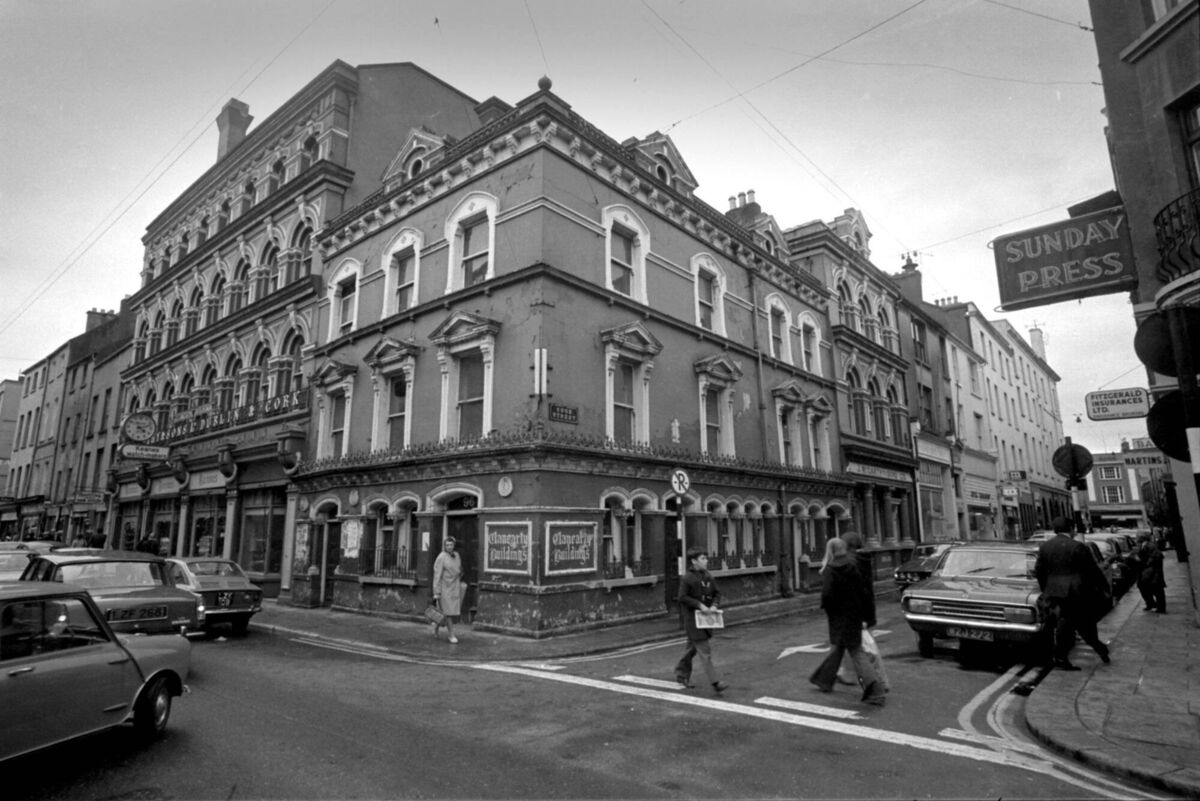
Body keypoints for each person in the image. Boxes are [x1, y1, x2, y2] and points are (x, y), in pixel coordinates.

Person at [810, 537, 885, 705]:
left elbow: (827, 594)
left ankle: (876, 689)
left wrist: (827, 607)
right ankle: (824, 680)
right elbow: (863, 592)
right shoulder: (852, 566)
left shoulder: (831, 569)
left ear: (830, 550)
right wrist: (865, 616)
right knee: (839, 648)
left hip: (839, 617)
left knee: (856, 652)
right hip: (854, 615)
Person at [1035, 516, 1111, 670]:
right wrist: (1104, 588)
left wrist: (1047, 588)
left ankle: (1096, 649)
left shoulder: (1045, 547)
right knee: (1077, 624)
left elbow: (1039, 571)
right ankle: (1065, 656)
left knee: (1072, 623)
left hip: (1056, 591)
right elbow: (1091, 570)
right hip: (1076, 592)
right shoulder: (1077, 546)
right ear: (1070, 529)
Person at [834, 530, 887, 692]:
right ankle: (839, 672)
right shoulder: (862, 559)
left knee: (864, 651)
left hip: (856, 613)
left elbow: (853, 590)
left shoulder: (851, 563)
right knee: (847, 645)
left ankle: (879, 684)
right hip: (864, 610)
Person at [675, 547, 729, 694]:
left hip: (706, 618)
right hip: (693, 620)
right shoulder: (688, 578)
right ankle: (716, 682)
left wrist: (714, 605)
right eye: (702, 558)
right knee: (704, 650)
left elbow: (717, 593)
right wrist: (699, 605)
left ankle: (681, 674)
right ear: (694, 561)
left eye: (706, 558)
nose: (706, 561)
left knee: (692, 648)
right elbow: (682, 597)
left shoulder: (708, 576)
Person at [431, 536, 466, 644]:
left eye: (451, 545)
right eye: (447, 545)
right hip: (445, 588)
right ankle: (451, 635)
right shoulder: (441, 557)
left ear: (454, 545)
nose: (449, 547)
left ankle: (435, 626)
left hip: (455, 587)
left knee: (448, 612)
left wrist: (460, 573)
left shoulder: (457, 555)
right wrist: (436, 592)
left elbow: (459, 569)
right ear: (444, 546)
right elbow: (437, 575)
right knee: (449, 613)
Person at [1134, 531, 1166, 613]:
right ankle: (1151, 604)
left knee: (1157, 590)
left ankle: (1160, 608)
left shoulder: (1150, 546)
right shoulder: (1142, 545)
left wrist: (1145, 562)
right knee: (1144, 588)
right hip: (1146, 572)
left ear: (1142, 538)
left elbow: (1157, 556)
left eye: (1137, 537)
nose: (1135, 538)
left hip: (1152, 572)